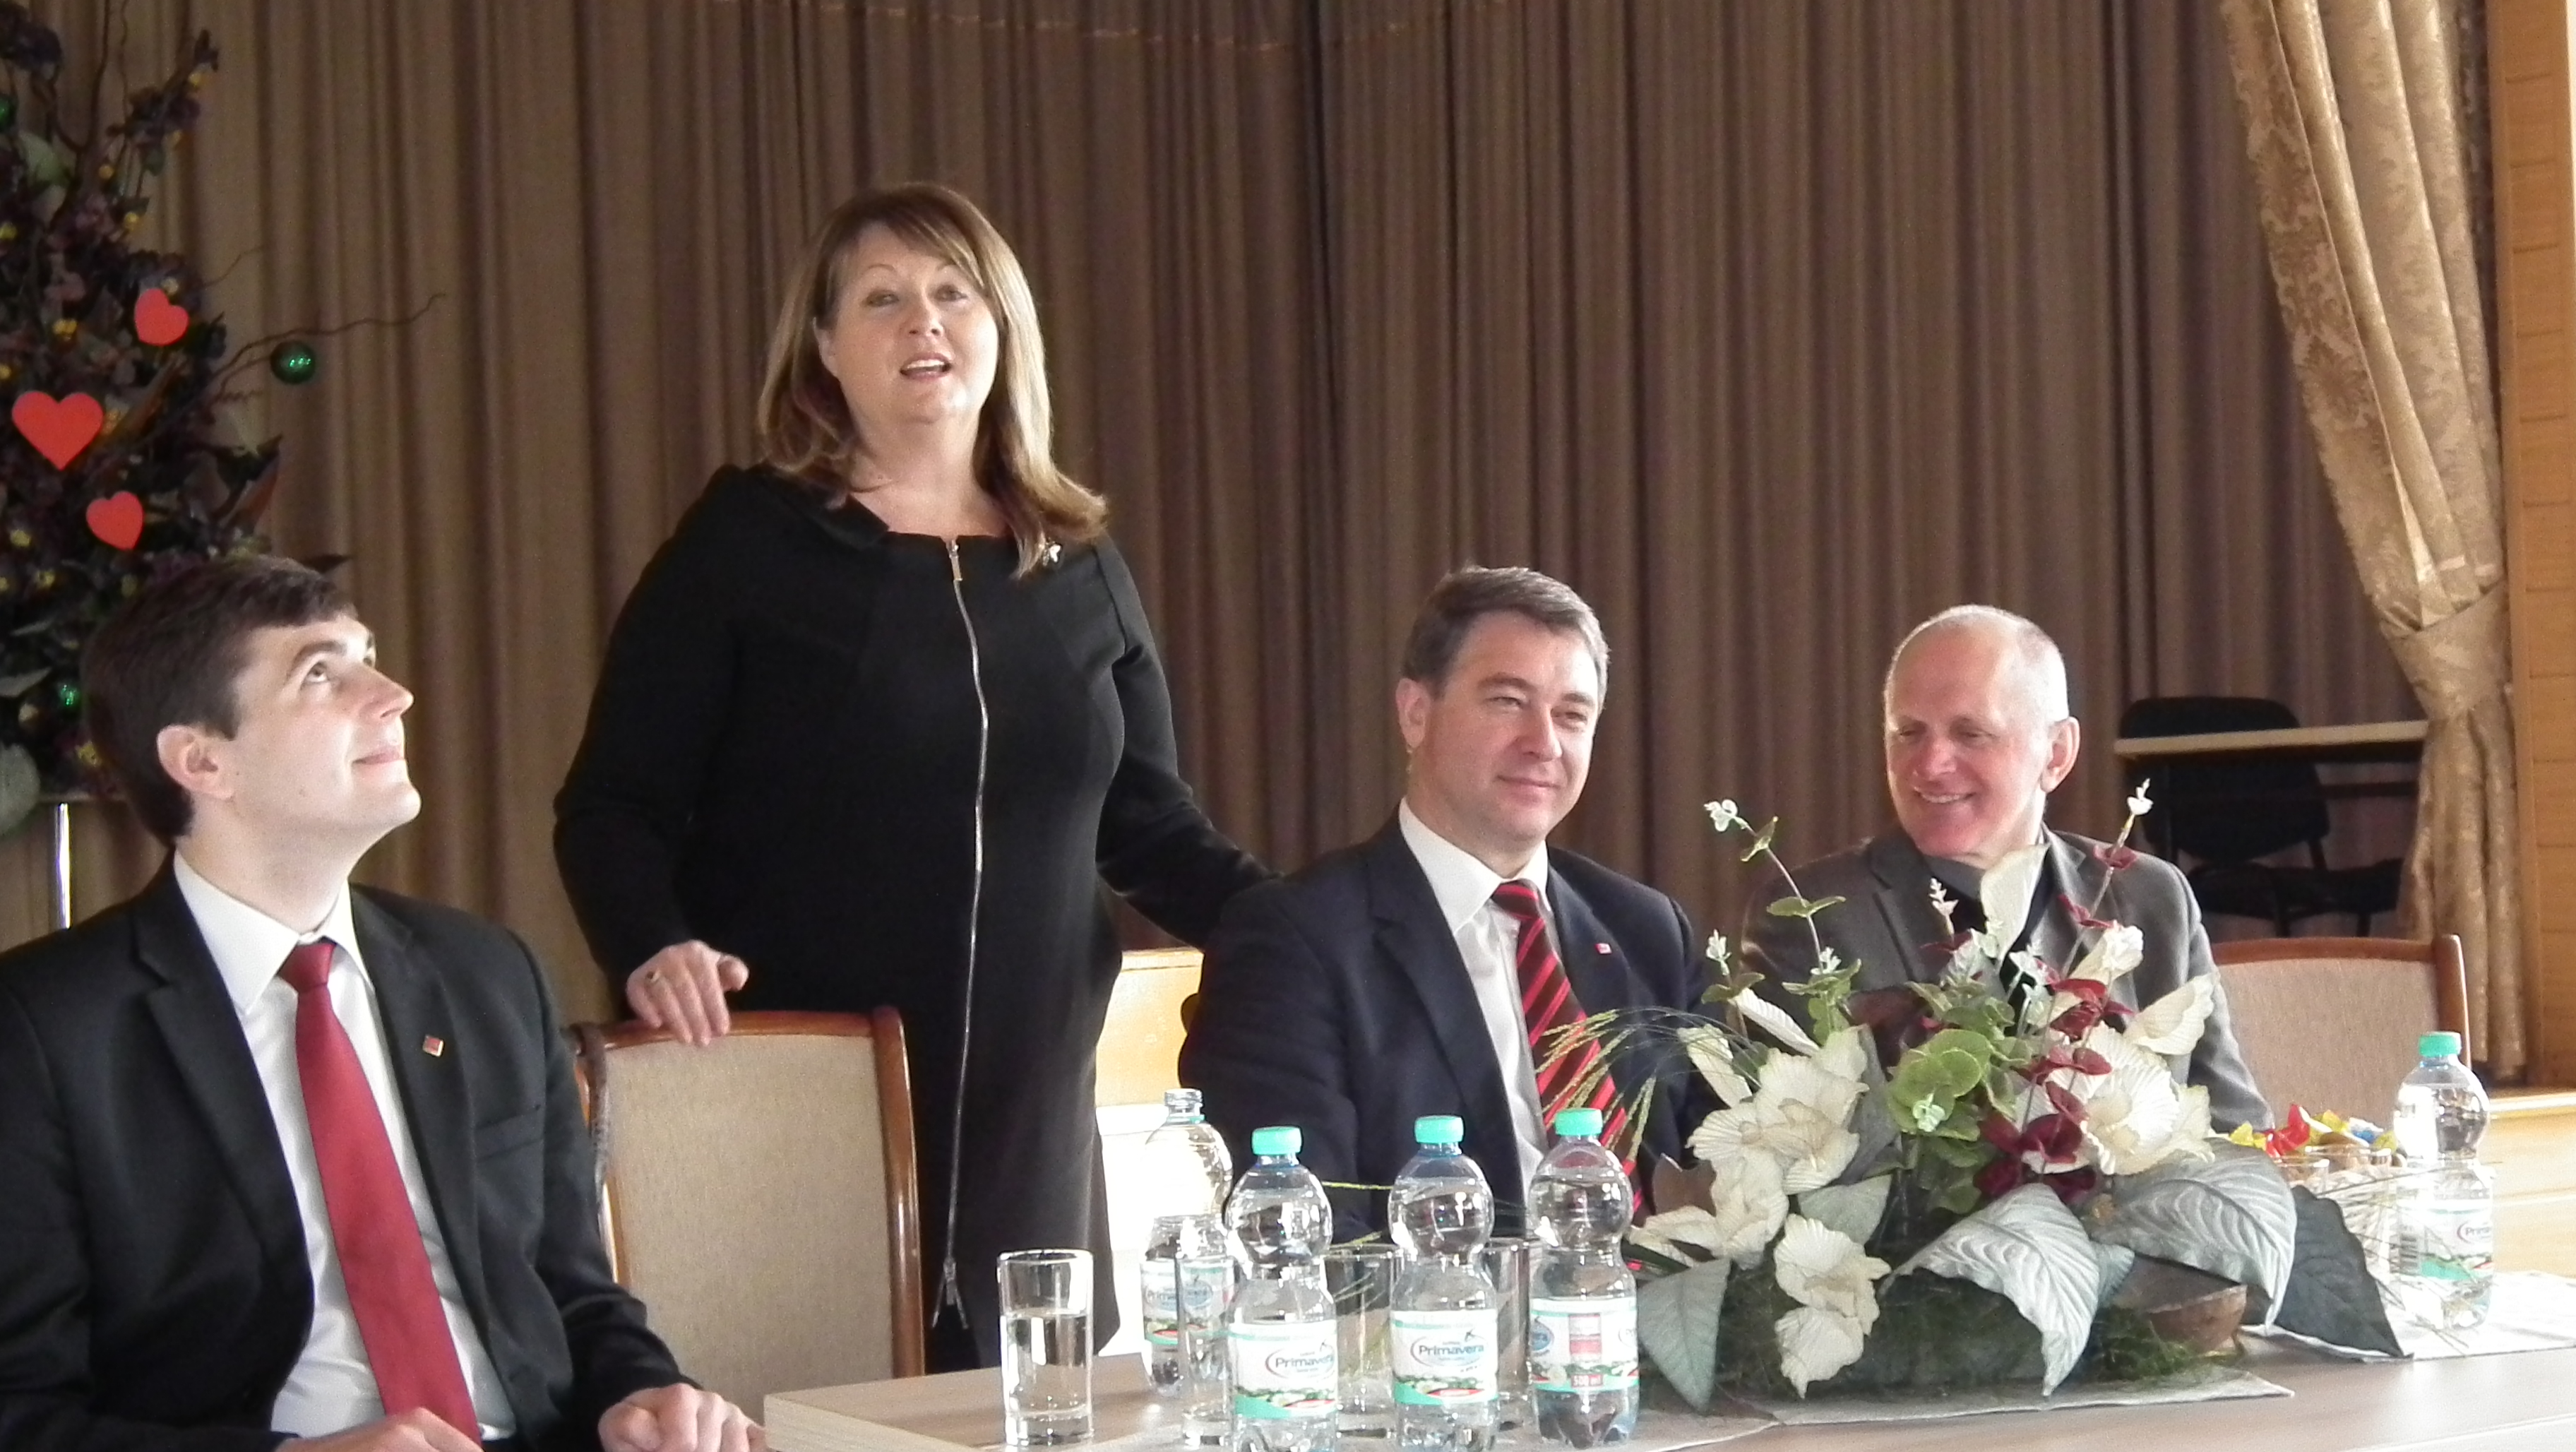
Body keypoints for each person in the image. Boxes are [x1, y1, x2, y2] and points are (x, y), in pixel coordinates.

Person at [552, 182, 1269, 1368]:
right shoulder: (749, 541)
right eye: (881, 300)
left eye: (951, 292)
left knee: (1020, 1413)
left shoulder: (1077, 562)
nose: (921, 321)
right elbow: (610, 805)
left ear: (1002, 327)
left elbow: (1148, 825)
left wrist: (1300, 931)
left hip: (1027, 1131)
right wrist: (650, 943)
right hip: (802, 1103)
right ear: (825, 349)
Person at [0, 557, 756, 1452]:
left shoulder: (488, 974)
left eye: (369, 657)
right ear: (202, 760)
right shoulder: (45, 1027)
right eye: (322, 674)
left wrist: (646, 1395)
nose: (395, 695)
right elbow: (20, 1407)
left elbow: (576, 1296)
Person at [1179, 568, 1703, 1239]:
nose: (1544, 743)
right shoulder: (1293, 941)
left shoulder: (1648, 931)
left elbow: (1729, 1177)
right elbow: (1306, 1237)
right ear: (1415, 713)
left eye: (1572, 715)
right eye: (1508, 701)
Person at [1740, 604, 2268, 1129]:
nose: (1930, 765)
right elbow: (1792, 1147)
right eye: (1908, 733)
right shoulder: (1812, 916)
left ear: (2056, 754)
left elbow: (2238, 1132)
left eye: (1971, 733)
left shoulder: (2150, 898)